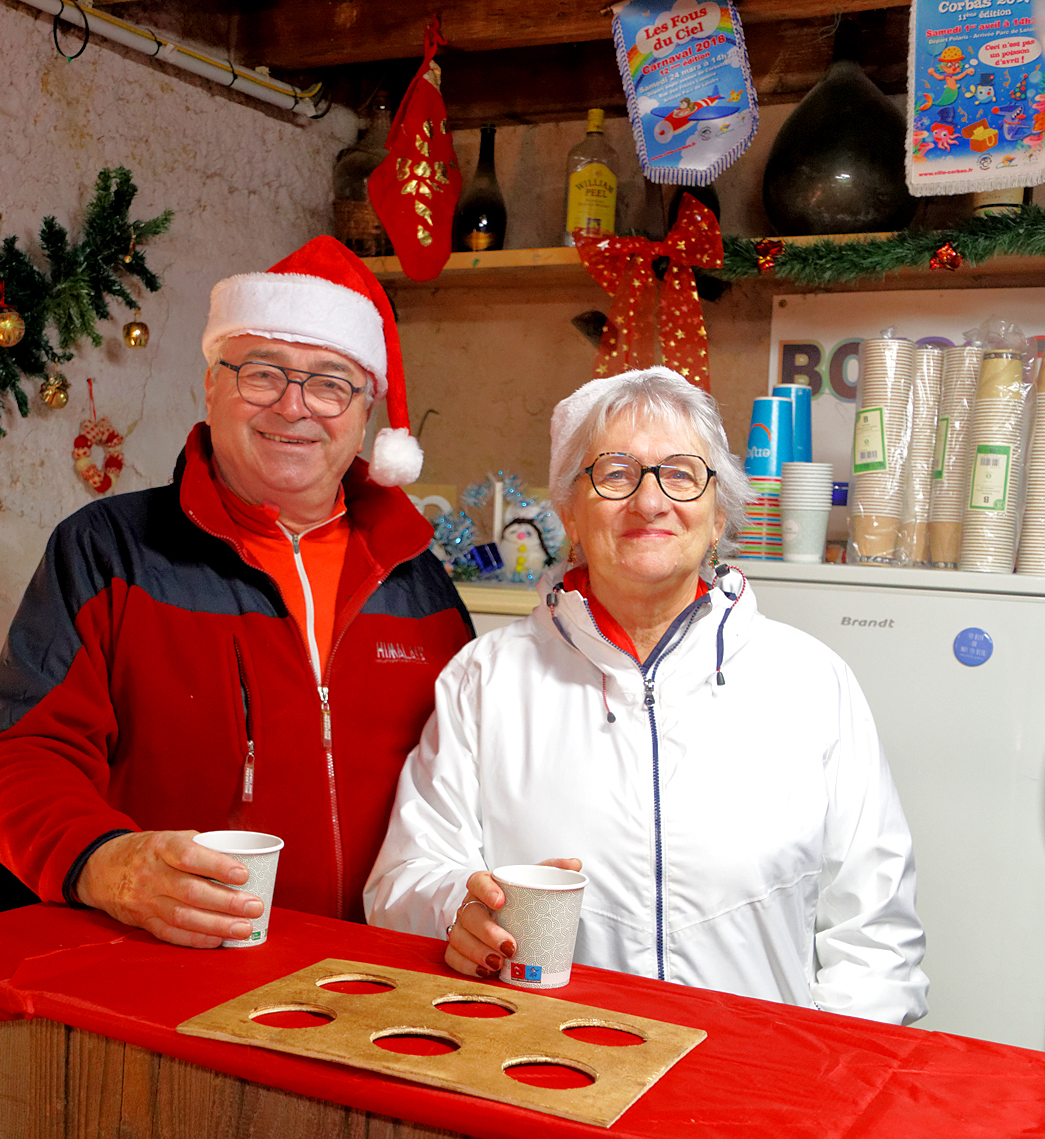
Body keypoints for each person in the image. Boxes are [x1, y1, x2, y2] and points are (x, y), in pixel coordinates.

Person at [364, 367, 929, 1024]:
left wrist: (821, 1071)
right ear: (570, 514)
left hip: (756, 1072)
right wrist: (455, 910)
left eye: (682, 474)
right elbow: (403, 879)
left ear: (718, 516)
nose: (650, 501)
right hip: (544, 1064)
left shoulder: (811, 681)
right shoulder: (485, 679)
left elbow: (875, 938)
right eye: (616, 473)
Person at [0, 236, 474, 948]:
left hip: (377, 978)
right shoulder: (107, 551)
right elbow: (16, 757)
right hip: (172, 972)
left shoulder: (420, 578)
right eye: (262, 373)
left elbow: (471, 787)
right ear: (211, 386)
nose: (294, 407)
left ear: (365, 414)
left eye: (330, 383)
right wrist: (105, 863)